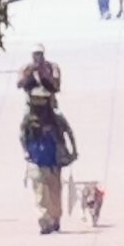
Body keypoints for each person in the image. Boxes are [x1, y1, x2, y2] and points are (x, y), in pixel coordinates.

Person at [19, 89, 77, 236]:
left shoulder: (56, 117)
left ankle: (55, 218)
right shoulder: (28, 118)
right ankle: (44, 221)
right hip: (36, 159)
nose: (40, 102)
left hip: (54, 159)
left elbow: (68, 132)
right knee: (40, 193)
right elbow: (22, 136)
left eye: (43, 99)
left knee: (55, 192)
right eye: (36, 98)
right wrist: (25, 151)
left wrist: (73, 151)